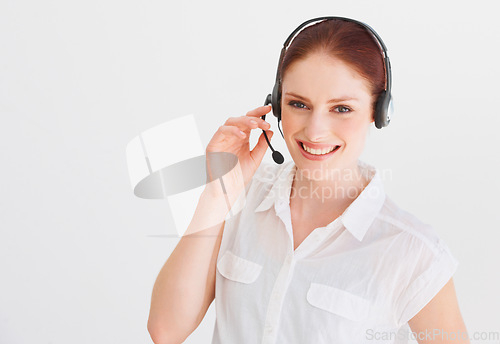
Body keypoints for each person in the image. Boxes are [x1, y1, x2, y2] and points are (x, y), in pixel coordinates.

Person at [148, 17, 469, 344]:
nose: (315, 130)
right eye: (298, 104)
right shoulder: (239, 200)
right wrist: (218, 193)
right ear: (276, 104)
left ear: (379, 112)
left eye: (341, 109)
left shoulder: (413, 252)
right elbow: (166, 330)